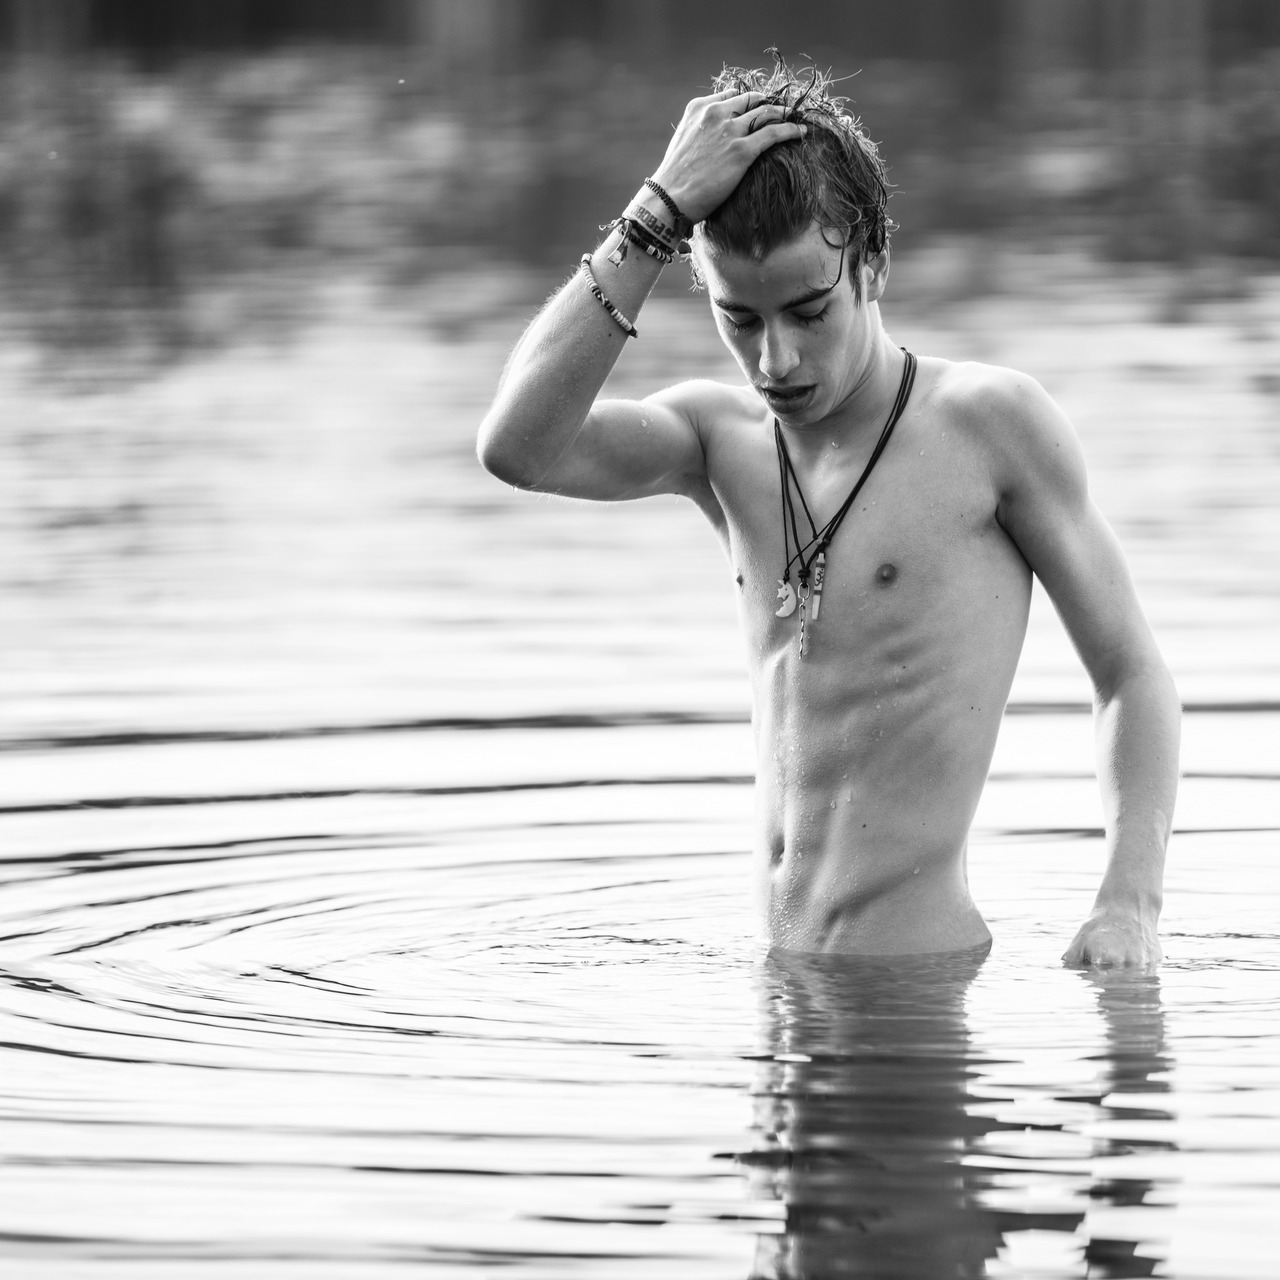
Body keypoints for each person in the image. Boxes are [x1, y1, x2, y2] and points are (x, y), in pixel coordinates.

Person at [476, 57, 1180, 966]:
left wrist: (1128, 906)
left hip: (917, 986)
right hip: (778, 989)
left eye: (809, 312)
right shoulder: (715, 440)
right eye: (741, 319)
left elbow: (1130, 672)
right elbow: (517, 449)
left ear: (873, 264)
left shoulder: (988, 425)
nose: (776, 362)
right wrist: (654, 215)